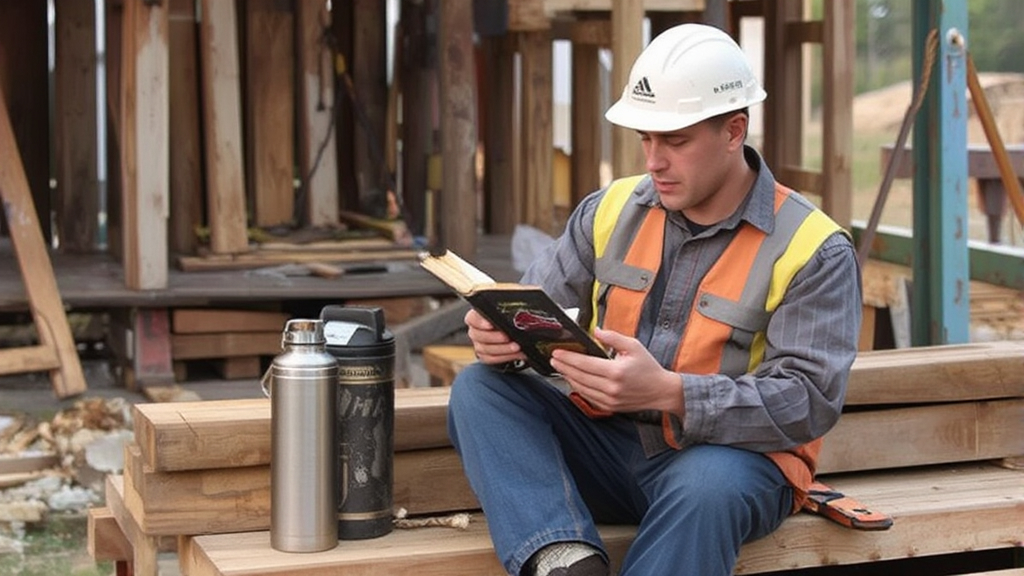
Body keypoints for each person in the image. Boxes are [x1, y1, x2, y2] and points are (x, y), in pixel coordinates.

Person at [447, 23, 861, 576]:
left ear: (734, 130)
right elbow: (535, 303)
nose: (654, 160)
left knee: (706, 488)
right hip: (605, 446)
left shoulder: (813, 248)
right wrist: (502, 335)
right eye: (646, 138)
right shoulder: (611, 209)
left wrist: (674, 394)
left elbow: (808, 402)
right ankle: (564, 560)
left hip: (726, 465)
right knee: (480, 389)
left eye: (676, 141)